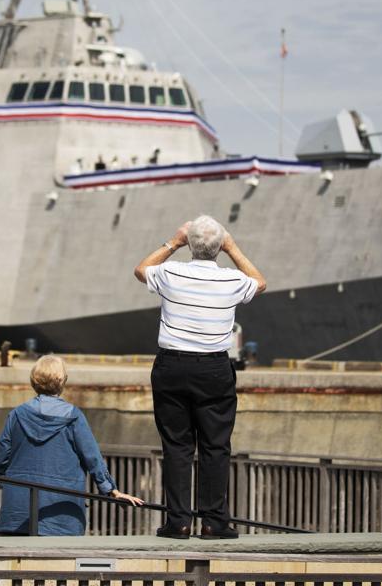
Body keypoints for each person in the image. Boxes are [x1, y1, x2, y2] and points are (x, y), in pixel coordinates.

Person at [134, 215, 266, 540]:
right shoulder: (232, 280)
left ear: (189, 244)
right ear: (219, 247)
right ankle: (213, 521)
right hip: (214, 369)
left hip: (172, 366)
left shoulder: (170, 272)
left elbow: (141, 270)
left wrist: (174, 242)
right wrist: (232, 247)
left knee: (177, 446)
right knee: (216, 445)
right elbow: (259, 282)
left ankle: (178, 522)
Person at [0, 355, 143, 535]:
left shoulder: (17, 415)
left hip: (18, 512)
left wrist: (5, 482)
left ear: (34, 381)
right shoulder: (73, 417)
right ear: (63, 381)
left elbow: (2, 454)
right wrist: (111, 490)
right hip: (61, 513)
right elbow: (92, 457)